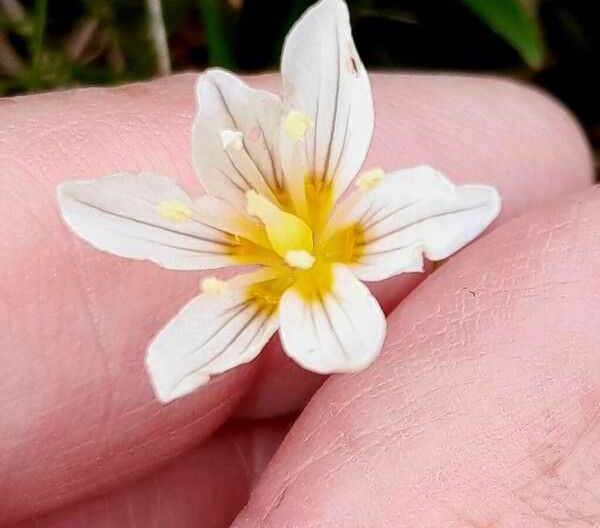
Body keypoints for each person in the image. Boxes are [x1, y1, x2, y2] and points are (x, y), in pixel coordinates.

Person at [1, 71, 597, 527]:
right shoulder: (259, 298)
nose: (275, 222)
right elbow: (338, 343)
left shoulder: (347, 241)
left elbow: (456, 213)